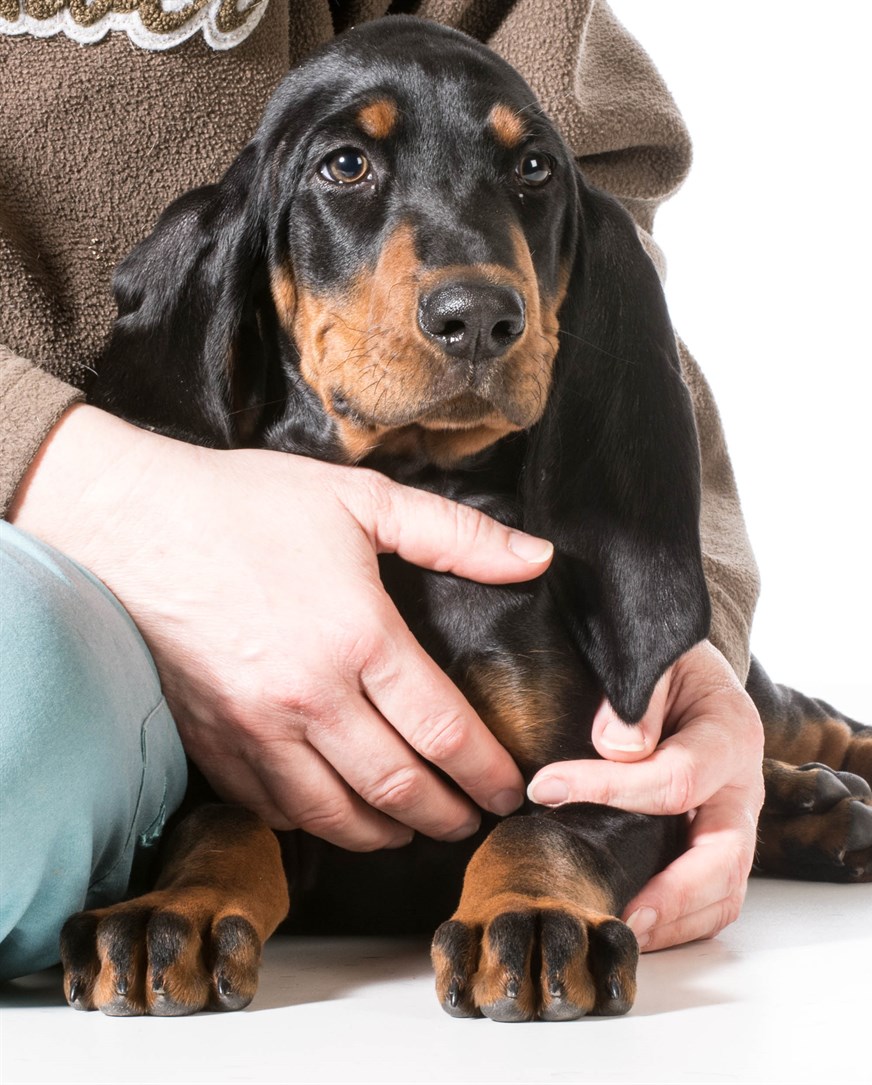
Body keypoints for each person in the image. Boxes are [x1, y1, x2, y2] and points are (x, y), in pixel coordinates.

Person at [0, 0, 765, 981]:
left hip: (476, 501)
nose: (475, 300)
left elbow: (578, 179)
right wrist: (97, 485)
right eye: (347, 167)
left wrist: (678, 632)